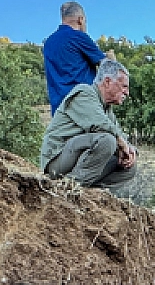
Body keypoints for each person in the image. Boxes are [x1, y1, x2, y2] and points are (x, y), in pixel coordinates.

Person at [40, 58, 138, 193]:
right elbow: (100, 125)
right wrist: (121, 142)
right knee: (108, 141)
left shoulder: (107, 108)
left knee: (128, 166)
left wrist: (130, 150)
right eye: (124, 86)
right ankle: (66, 188)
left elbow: (118, 134)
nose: (127, 93)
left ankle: (91, 195)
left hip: (78, 159)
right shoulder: (84, 93)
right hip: (57, 160)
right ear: (108, 81)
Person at [42, 1, 105, 113]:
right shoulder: (78, 36)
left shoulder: (48, 43)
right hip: (83, 106)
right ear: (81, 19)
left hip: (59, 111)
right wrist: (111, 58)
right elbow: (106, 65)